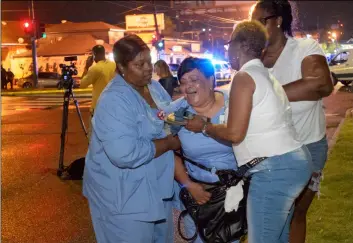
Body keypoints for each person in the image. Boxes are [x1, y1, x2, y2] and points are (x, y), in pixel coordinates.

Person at [186, 20, 313, 243]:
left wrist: (204, 126)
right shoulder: (266, 76)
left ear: (241, 45)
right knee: (278, 237)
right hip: (292, 162)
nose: (227, 50)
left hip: (274, 168)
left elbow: (235, 133)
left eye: (228, 43)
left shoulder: (244, 78)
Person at [82, 34, 181, 243]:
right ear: (122, 67)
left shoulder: (153, 87)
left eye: (149, 62)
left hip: (155, 188)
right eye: (140, 64)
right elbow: (125, 154)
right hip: (123, 197)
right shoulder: (114, 100)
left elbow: (168, 115)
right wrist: (169, 143)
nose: (148, 69)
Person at [251, 1, 333, 242]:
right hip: (269, 152)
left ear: (278, 20)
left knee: (296, 212)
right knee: (273, 217)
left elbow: (321, 84)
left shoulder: (305, 48)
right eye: (251, 24)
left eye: (261, 21)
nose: (256, 28)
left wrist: (266, 96)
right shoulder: (254, 61)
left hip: (308, 146)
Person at [173, 57, 239, 243]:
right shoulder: (178, 112)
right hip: (198, 196)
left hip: (234, 196)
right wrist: (188, 184)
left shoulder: (233, 105)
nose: (188, 86)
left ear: (211, 80)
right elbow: (168, 151)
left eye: (194, 79)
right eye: (183, 82)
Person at [80, 45, 116, 116]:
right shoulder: (114, 65)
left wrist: (87, 66)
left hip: (99, 107)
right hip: (113, 105)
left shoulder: (95, 68)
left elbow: (82, 84)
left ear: (94, 55)